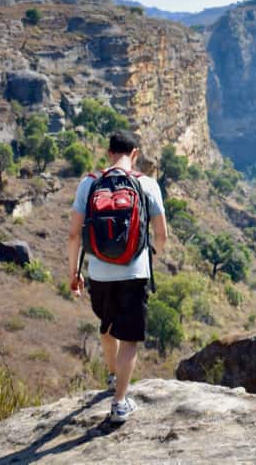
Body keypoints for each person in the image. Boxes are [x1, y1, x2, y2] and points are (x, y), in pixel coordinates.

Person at [68, 130, 167, 423]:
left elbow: (74, 234)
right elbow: (161, 234)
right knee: (130, 340)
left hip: (98, 272)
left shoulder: (89, 183)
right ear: (134, 154)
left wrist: (74, 273)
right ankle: (120, 402)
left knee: (107, 326)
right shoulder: (146, 183)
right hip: (135, 272)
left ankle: (112, 376)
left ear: (109, 153)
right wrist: (153, 253)